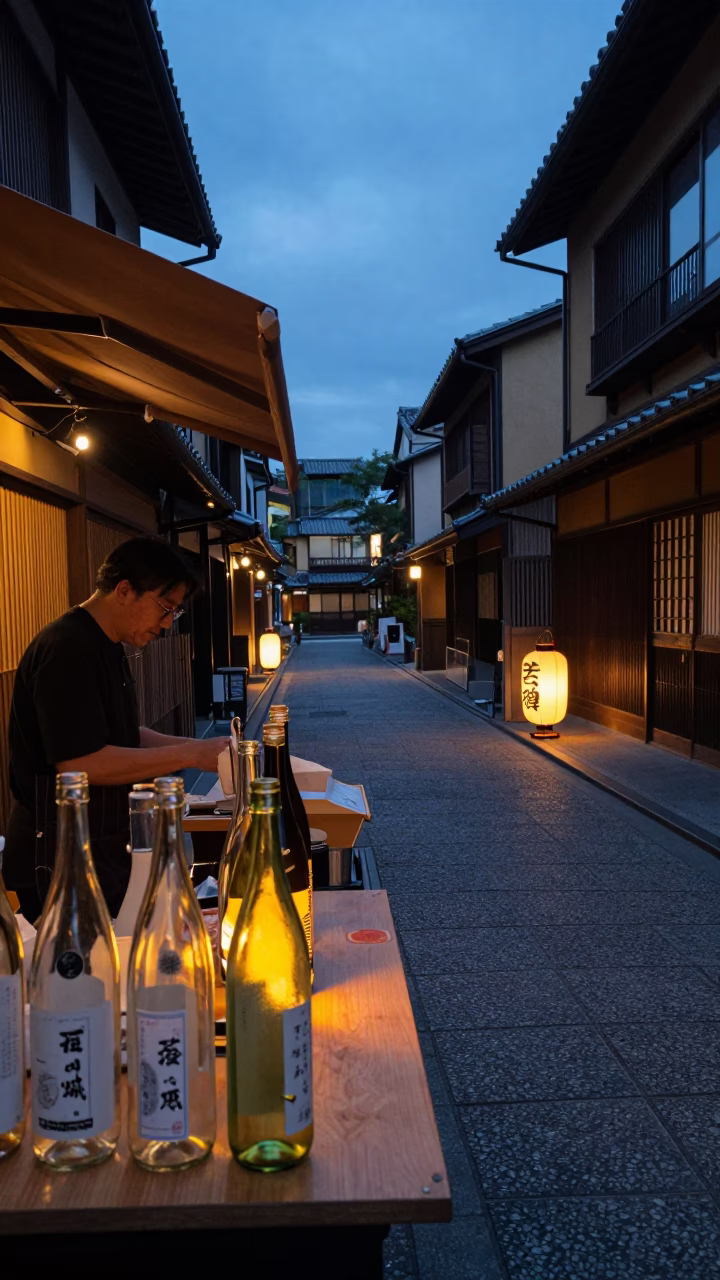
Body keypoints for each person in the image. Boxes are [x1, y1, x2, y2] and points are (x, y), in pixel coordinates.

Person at [4, 536, 229, 921]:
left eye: (174, 613)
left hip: (98, 846)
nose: (167, 624)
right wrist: (192, 754)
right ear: (124, 590)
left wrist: (207, 748)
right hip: (58, 857)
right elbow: (81, 763)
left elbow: (124, 733)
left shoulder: (104, 643)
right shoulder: (67, 649)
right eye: (165, 608)